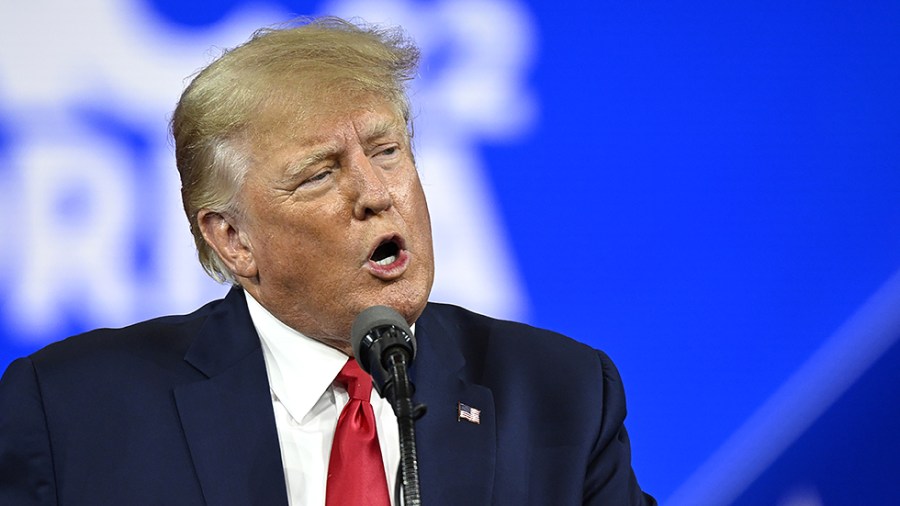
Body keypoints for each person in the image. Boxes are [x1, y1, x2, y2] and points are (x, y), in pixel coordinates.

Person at [0, 16, 655, 505]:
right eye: (319, 174)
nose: (376, 193)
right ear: (233, 239)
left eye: (388, 150)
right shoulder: (73, 414)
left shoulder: (560, 395)